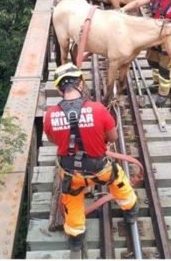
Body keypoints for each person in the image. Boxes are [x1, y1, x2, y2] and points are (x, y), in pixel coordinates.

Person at [43, 63, 138, 259]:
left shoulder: (50, 115)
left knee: (72, 201)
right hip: (100, 169)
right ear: (81, 84)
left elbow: (54, 140)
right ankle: (130, 213)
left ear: (59, 88)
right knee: (119, 181)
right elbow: (112, 138)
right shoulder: (98, 109)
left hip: (72, 175)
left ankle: (76, 240)